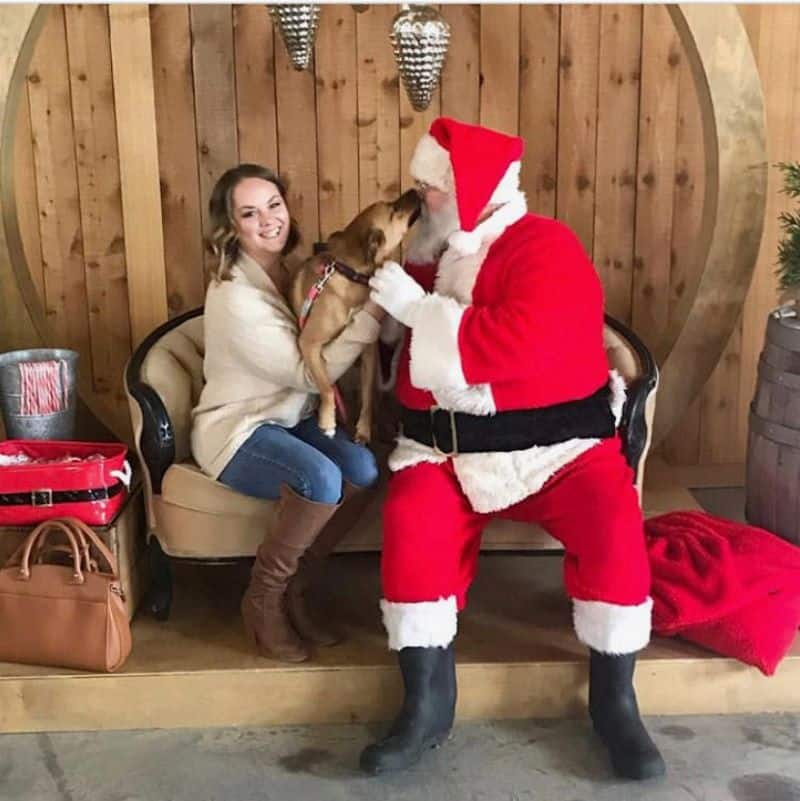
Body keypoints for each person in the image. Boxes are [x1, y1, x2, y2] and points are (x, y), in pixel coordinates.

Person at [360, 118, 666, 781]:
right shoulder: (429, 254)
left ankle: (616, 702)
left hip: (559, 450)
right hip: (446, 453)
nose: (417, 201)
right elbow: (389, 341)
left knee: (614, 523)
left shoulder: (546, 247)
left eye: (429, 188)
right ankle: (427, 703)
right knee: (411, 519)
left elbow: (523, 342)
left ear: (470, 190)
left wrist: (417, 313)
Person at [190, 164, 384, 663]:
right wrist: (371, 320)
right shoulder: (234, 295)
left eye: (274, 204)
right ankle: (263, 604)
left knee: (362, 468)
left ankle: (299, 586)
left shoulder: (293, 272)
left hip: (287, 419)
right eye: (250, 213)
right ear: (231, 227)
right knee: (320, 478)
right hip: (236, 430)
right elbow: (304, 372)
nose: (268, 219)